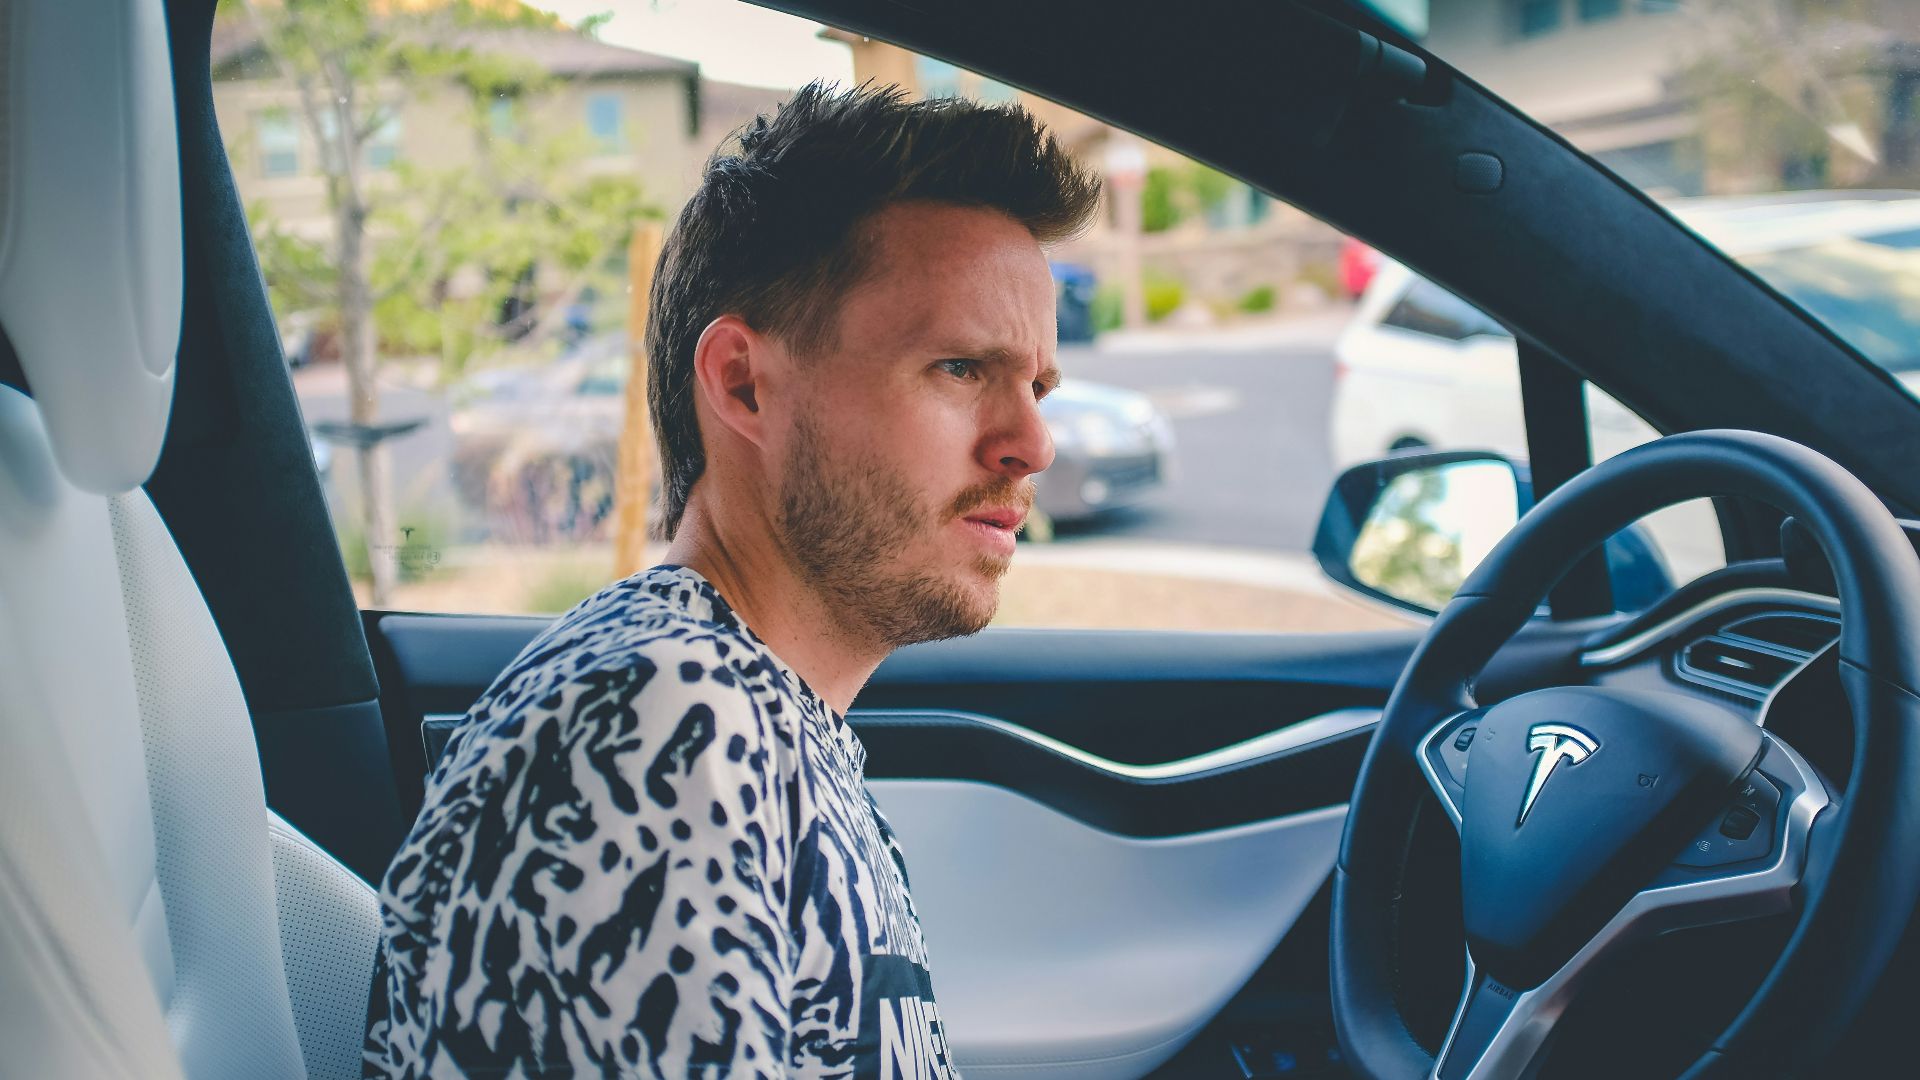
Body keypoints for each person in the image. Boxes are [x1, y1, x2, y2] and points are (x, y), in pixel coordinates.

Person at [364, 82, 1101, 1079]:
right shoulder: (660, 728)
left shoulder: (754, 716)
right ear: (745, 384)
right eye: (963, 368)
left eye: (1038, 386)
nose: (1033, 444)